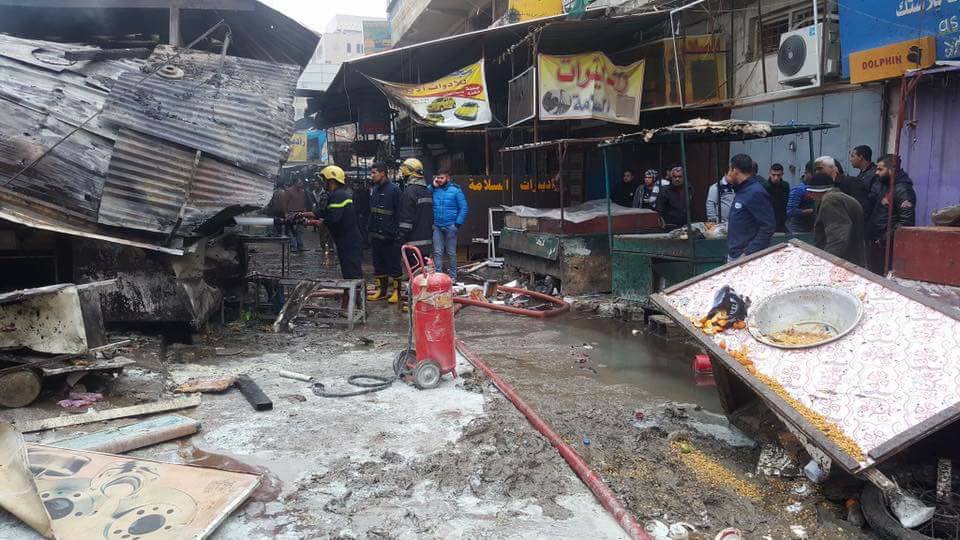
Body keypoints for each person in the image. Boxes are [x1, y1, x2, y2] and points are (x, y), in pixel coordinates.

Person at [304, 166, 363, 279]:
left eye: (324, 180)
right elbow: (322, 211)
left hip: (349, 243)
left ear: (331, 181)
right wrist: (302, 215)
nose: (323, 183)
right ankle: (350, 295)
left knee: (352, 275)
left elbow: (333, 219)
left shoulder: (339, 195)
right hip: (345, 242)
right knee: (348, 273)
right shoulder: (337, 195)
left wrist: (317, 223)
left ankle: (355, 295)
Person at [866, 154, 917, 274]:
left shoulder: (903, 190)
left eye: (880, 169)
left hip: (887, 248)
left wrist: (884, 239)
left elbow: (906, 223)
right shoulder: (886, 185)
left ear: (892, 169)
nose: (876, 173)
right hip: (877, 245)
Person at [807, 173, 865, 266]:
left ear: (816, 190)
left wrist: (825, 263)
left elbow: (838, 238)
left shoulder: (830, 200)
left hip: (844, 263)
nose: (809, 196)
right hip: (850, 260)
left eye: (810, 192)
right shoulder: (838, 197)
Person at [726, 154, 776, 262]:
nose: (728, 173)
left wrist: (749, 252)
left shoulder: (755, 192)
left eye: (729, 169)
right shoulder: (741, 190)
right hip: (734, 254)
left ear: (735, 170)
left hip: (746, 257)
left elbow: (768, 226)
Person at [367, 163, 402, 302]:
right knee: (378, 264)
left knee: (393, 264)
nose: (372, 175)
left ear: (383, 173)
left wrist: (396, 232)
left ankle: (397, 292)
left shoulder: (394, 190)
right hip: (376, 234)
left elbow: (399, 212)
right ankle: (381, 291)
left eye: (374, 172)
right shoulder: (374, 189)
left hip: (390, 236)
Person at [431, 169, 468, 281]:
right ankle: (438, 277)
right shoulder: (434, 190)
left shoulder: (456, 190)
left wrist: (457, 224)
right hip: (437, 226)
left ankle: (452, 277)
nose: (439, 180)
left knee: (451, 253)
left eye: (442, 178)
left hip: (450, 226)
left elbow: (464, 208)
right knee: (437, 252)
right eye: (437, 177)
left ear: (448, 177)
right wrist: (432, 185)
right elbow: (425, 193)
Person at [786, 162, 816, 233]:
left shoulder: (815, 188)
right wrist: (810, 211)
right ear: (806, 173)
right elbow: (790, 211)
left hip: (810, 228)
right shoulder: (798, 190)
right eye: (814, 174)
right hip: (797, 229)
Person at [851, 145, 879, 219]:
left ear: (861, 157)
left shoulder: (875, 173)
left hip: (870, 217)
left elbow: (874, 196)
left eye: (853, 156)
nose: (851, 159)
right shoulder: (862, 174)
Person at [762, 164, 791, 233]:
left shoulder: (785, 186)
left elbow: (786, 203)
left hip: (781, 221)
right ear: (769, 174)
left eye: (778, 175)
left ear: (782, 174)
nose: (776, 178)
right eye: (773, 175)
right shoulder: (764, 187)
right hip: (768, 221)